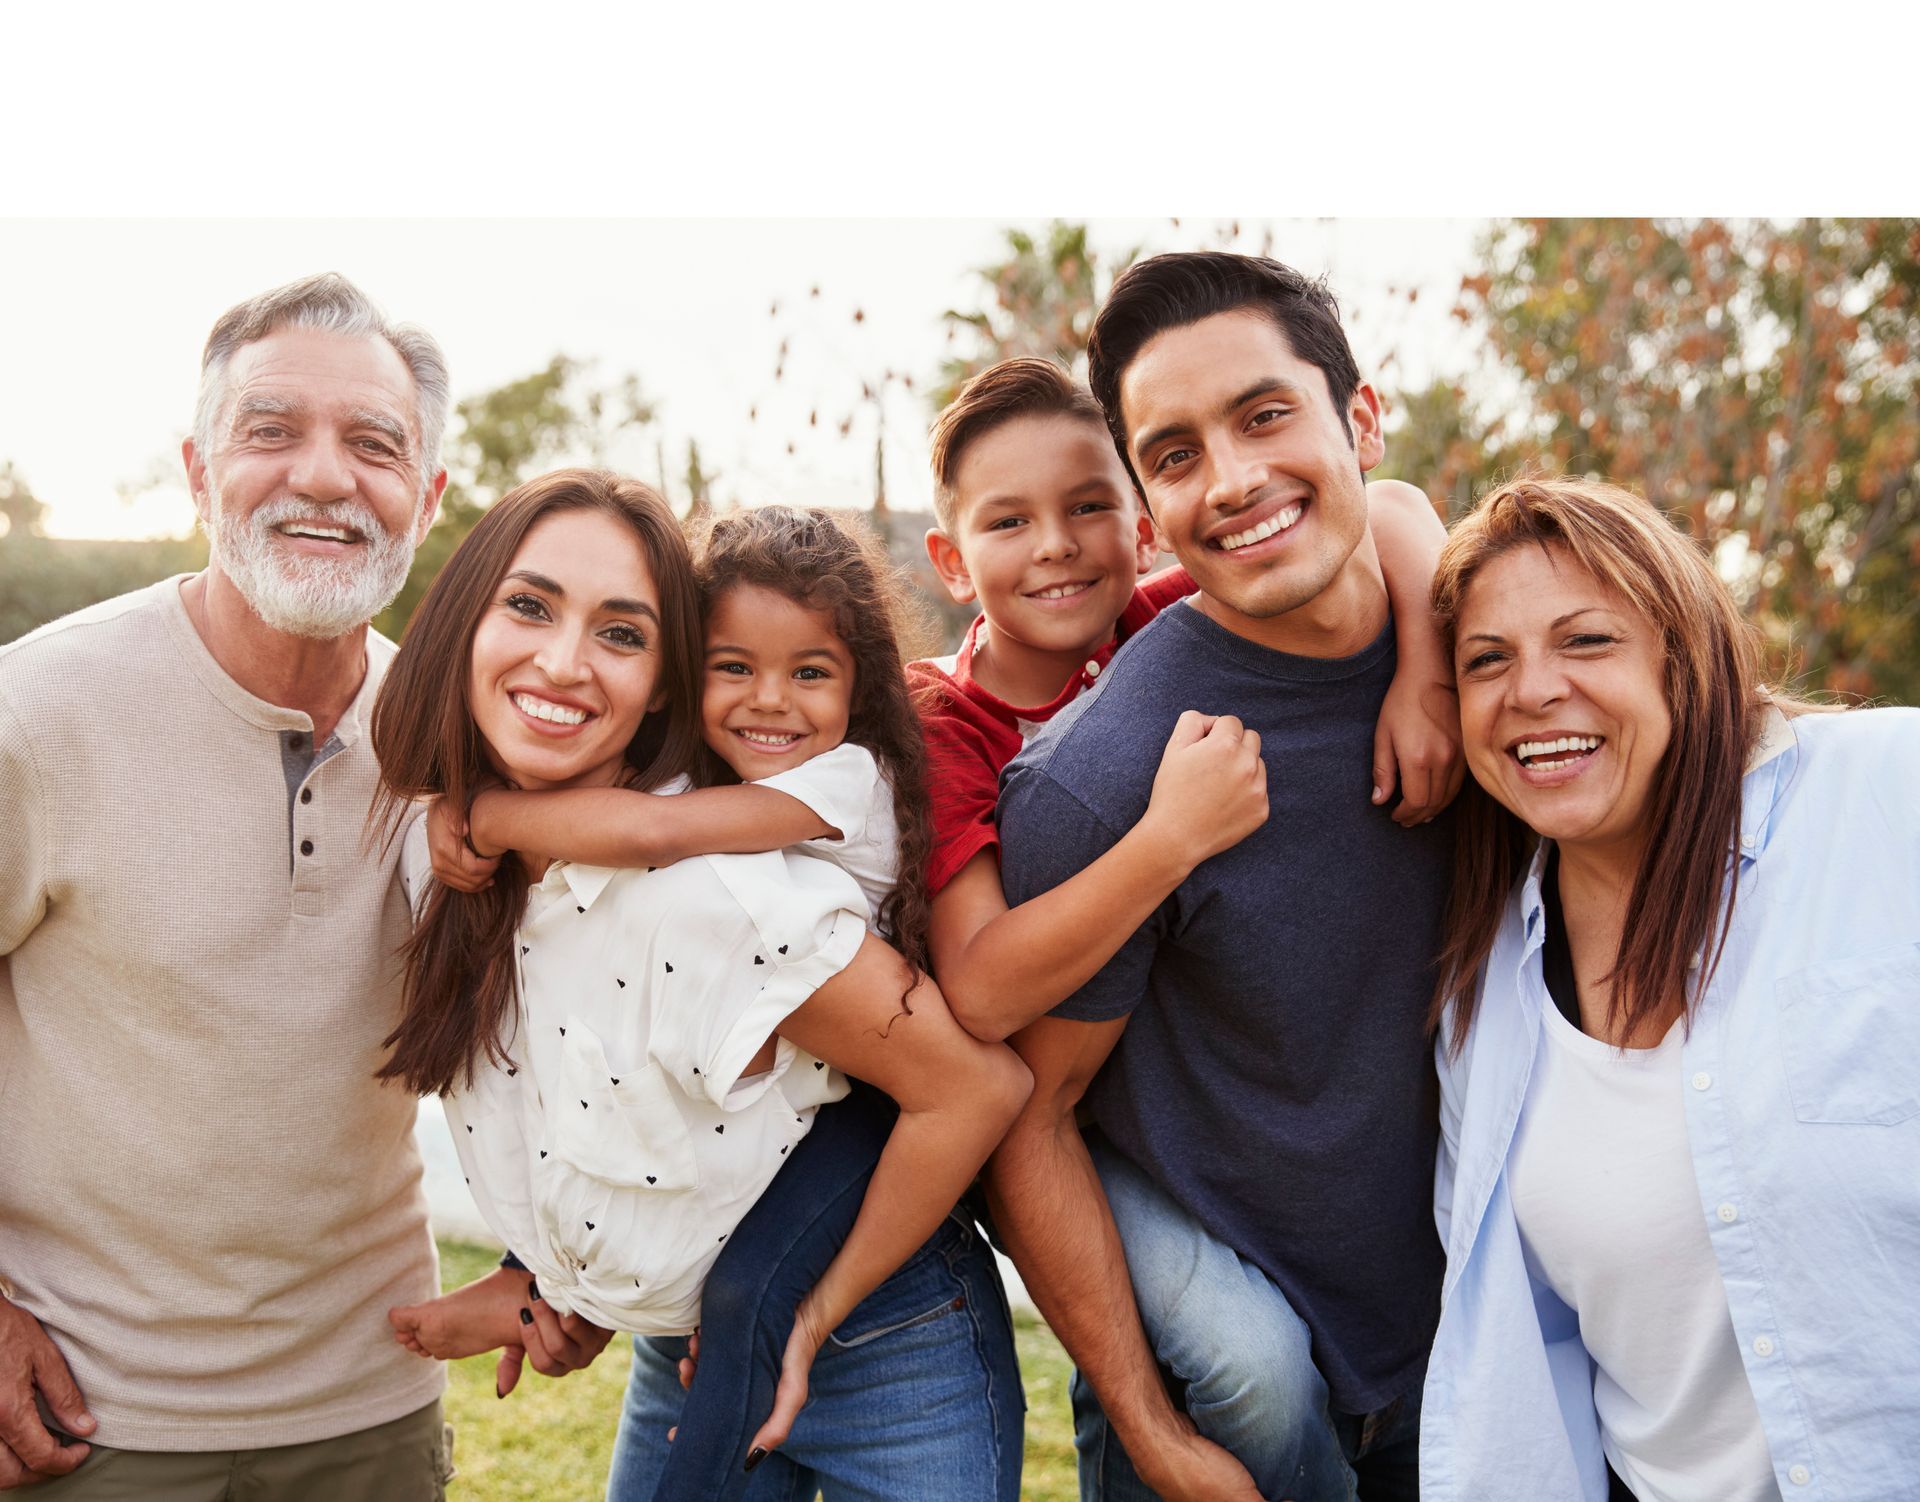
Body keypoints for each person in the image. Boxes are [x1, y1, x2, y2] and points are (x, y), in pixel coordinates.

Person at [370, 480, 1030, 1502]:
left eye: (620, 632)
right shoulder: (460, 854)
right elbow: (607, 1100)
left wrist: (806, 1318)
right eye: (530, 605)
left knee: (751, 1301)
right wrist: (566, 1280)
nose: (562, 660)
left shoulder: (724, 889)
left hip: (885, 1333)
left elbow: (974, 1085)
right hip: (679, 1322)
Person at [989, 252, 1460, 1502]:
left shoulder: (1489, 663)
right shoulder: (1108, 783)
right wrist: (1152, 1427)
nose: (1236, 479)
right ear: (1147, 503)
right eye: (1179, 452)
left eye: (1264, 416)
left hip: (1477, 1365)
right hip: (1231, 1417)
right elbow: (1030, 1117)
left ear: (1358, 420)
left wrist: (1432, 659)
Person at [0, 272, 469, 1497]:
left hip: (376, 1407)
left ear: (424, 498)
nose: (324, 475)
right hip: (90, 1419)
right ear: (201, 474)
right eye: (271, 430)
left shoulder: (461, 742)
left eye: (374, 444)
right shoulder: (34, 717)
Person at [1420, 477, 1920, 1502]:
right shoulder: (1481, 1012)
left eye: (1587, 641)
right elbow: (1533, 1366)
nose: (1534, 690)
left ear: (1681, 659)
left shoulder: (1887, 794)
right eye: (1487, 661)